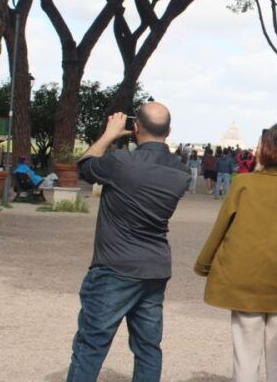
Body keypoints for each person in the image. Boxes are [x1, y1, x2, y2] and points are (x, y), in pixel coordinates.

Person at [66, 103, 191, 382]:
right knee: (148, 348)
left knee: (91, 346)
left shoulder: (121, 162)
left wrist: (109, 134)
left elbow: (85, 167)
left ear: (135, 128)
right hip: (155, 267)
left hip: (114, 266)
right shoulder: (180, 173)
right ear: (169, 131)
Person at [194, 123, 277, 382]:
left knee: (245, 357)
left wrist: (204, 263)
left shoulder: (243, 183)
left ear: (264, 149)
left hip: (244, 280)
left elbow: (221, 228)